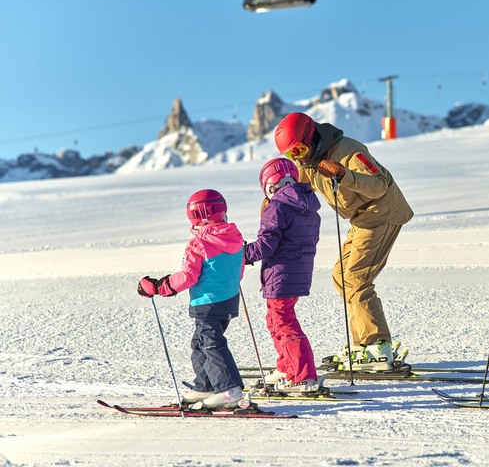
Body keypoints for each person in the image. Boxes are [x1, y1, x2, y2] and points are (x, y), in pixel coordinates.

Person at [273, 112, 414, 371]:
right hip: (361, 219)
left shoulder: (349, 151)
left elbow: (379, 186)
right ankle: (363, 346)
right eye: (292, 155)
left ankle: (378, 345)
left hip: (381, 213)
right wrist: (275, 201)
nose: (300, 157)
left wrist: (344, 175)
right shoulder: (309, 163)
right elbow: (299, 191)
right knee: (341, 275)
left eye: (301, 149)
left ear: (312, 136)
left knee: (356, 278)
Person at [137, 189, 248, 409]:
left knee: (210, 343)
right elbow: (239, 268)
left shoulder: (198, 244)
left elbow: (188, 276)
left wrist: (161, 287)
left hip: (206, 302)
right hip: (228, 299)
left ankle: (229, 389)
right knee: (200, 343)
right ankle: (204, 385)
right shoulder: (234, 238)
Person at [244, 157, 324, 394]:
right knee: (275, 320)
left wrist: (245, 253)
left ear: (270, 186)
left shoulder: (277, 207)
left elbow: (267, 244)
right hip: (298, 272)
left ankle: (303, 375)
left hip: (281, 275)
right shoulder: (308, 206)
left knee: (284, 323)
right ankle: (286, 366)